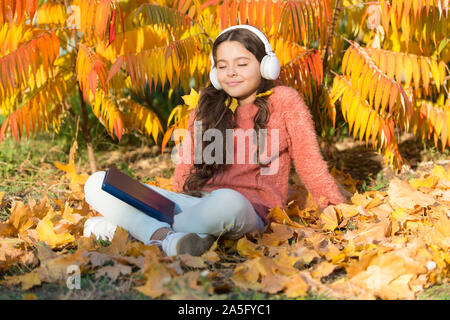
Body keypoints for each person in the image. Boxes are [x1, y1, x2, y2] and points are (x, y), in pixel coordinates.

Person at [83, 24, 347, 257]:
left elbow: (310, 162)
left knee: (225, 202)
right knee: (97, 183)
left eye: (242, 64)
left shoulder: (284, 101)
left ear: (266, 65)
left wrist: (335, 208)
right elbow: (185, 169)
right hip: (193, 204)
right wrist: (167, 199)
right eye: (222, 66)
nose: (231, 72)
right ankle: (167, 239)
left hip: (247, 210)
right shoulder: (206, 106)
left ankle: (118, 228)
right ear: (214, 72)